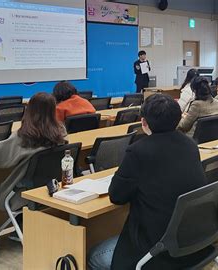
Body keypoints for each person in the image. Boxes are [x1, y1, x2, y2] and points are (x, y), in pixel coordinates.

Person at [87, 94, 208, 269]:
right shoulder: (190, 144)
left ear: (144, 122)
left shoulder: (138, 151)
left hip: (157, 248)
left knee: (95, 255)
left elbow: (117, 196)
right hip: (192, 240)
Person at [0, 92, 66, 214]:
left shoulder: (22, 136)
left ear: (30, 109)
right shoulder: (60, 132)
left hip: (21, 194)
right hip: (50, 187)